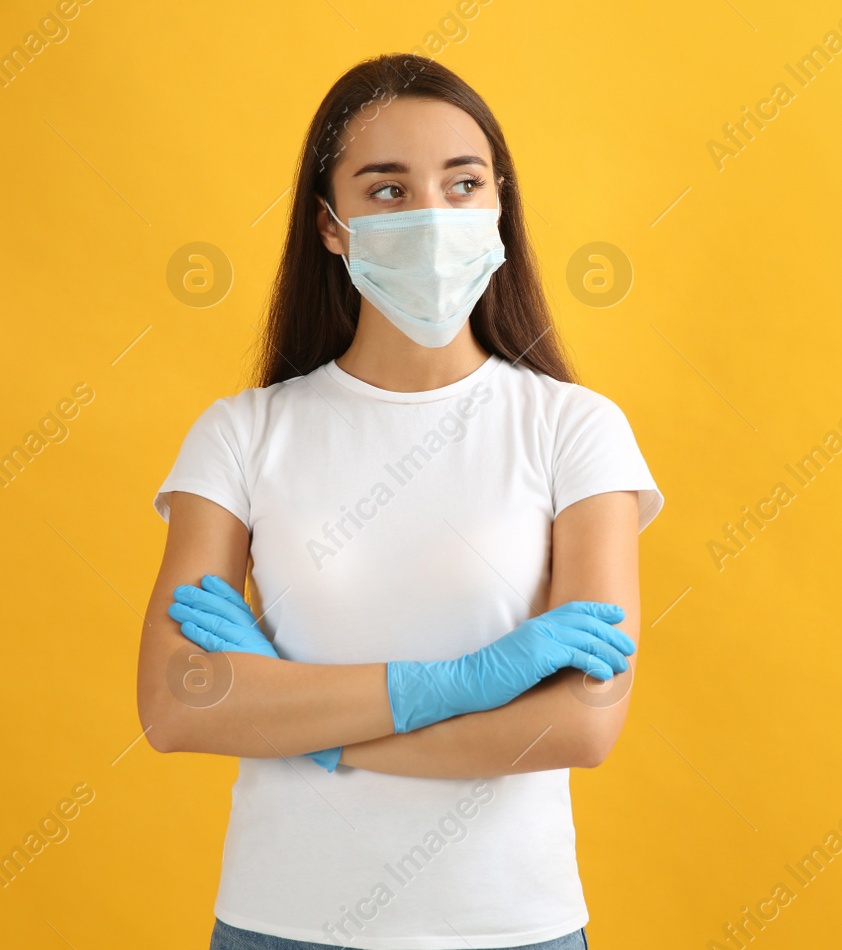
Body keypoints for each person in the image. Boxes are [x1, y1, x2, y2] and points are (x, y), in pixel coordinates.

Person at [135, 53, 663, 949]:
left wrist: (308, 729)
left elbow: (581, 723)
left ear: (500, 207)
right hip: (279, 922)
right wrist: (462, 687)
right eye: (387, 191)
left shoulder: (575, 429)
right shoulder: (242, 434)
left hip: (509, 926)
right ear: (331, 226)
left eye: (463, 184)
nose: (432, 216)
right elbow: (178, 703)